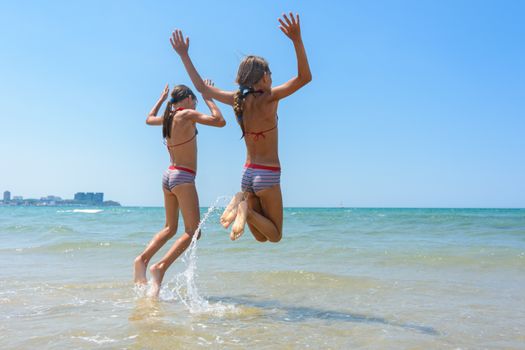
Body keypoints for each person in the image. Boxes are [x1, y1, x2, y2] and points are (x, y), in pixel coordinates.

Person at [170, 13, 311, 242]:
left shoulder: (237, 99)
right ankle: (244, 208)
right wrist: (296, 39)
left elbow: (201, 88)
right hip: (268, 174)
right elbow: (305, 77)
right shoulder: (270, 98)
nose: (273, 78)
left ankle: (242, 203)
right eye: (271, 74)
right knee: (274, 236)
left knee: (261, 237)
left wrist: (184, 55)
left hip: (247, 175)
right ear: (264, 76)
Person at [134, 82, 225, 296]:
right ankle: (159, 267)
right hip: (183, 177)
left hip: (168, 176)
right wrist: (208, 96)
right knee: (194, 232)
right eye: (193, 99)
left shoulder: (168, 118)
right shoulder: (186, 115)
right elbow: (220, 121)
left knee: (170, 227)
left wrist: (161, 99)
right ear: (186, 99)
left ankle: (142, 259)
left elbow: (148, 119)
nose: (195, 103)